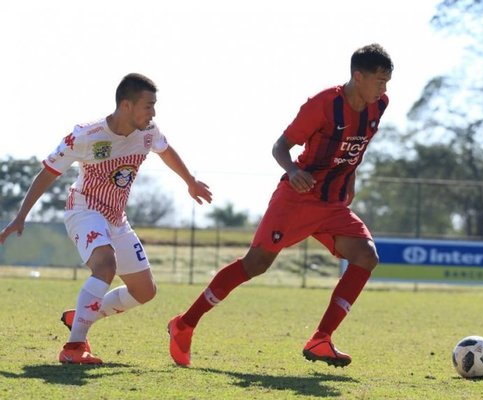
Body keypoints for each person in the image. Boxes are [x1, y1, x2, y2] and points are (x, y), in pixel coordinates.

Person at [167, 43, 393, 367]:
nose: (383, 88)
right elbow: (280, 146)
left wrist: (350, 181)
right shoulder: (323, 105)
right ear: (358, 76)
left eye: (387, 82)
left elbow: (356, 148)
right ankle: (183, 324)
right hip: (297, 199)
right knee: (255, 264)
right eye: (379, 80)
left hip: (332, 205)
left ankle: (320, 340)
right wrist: (294, 171)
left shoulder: (379, 105)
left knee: (366, 256)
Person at [0, 73, 213, 364]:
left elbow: (165, 150)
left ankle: (81, 316)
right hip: (84, 211)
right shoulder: (86, 136)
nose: (153, 112)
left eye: (154, 106)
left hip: (116, 218)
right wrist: (21, 215)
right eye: (148, 105)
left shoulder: (148, 132)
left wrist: (190, 181)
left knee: (145, 291)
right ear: (126, 105)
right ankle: (73, 348)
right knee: (105, 266)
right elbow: (49, 171)